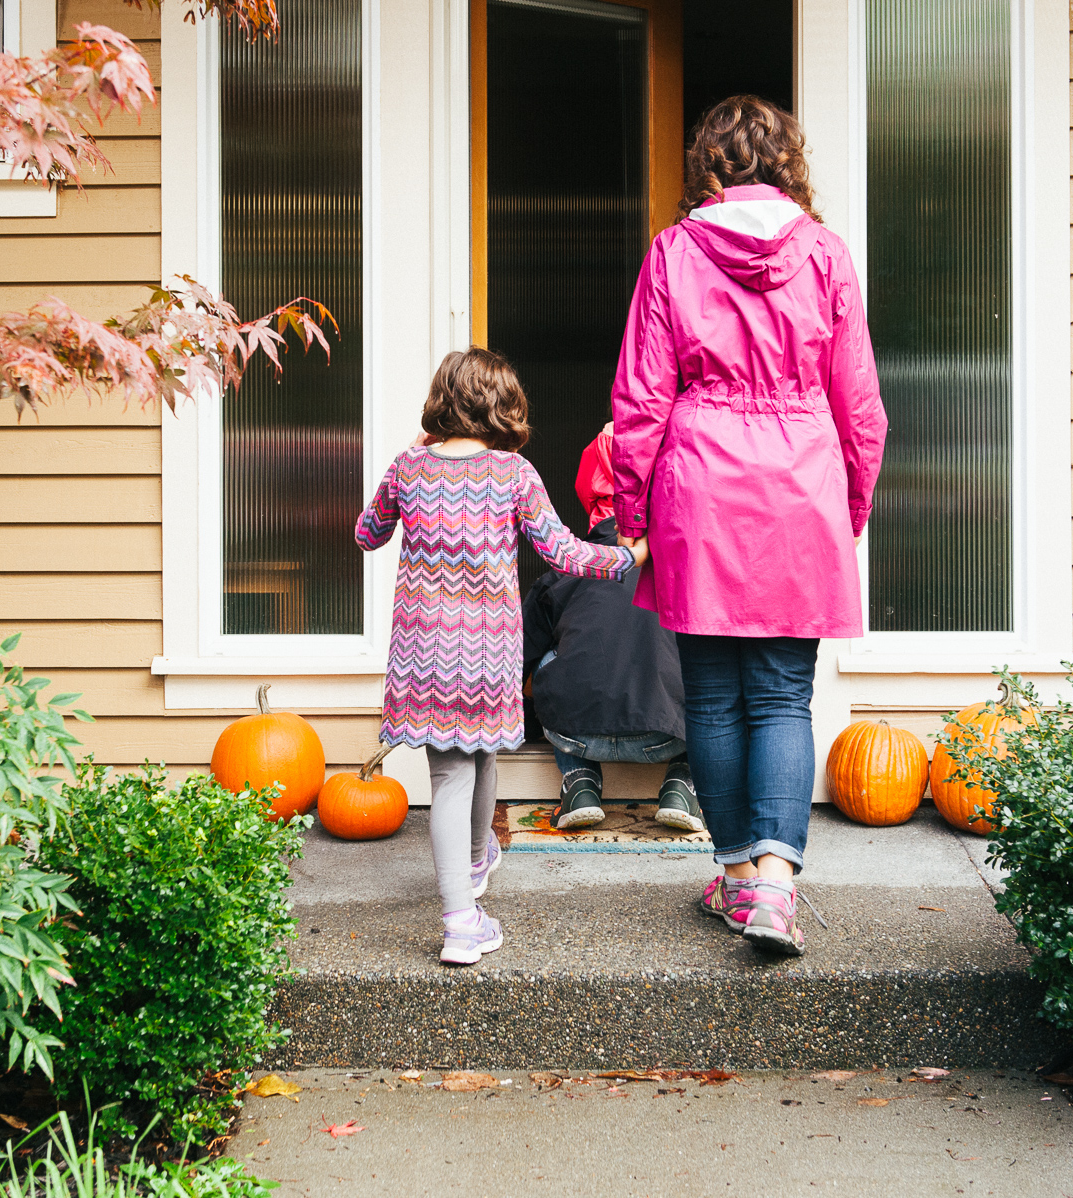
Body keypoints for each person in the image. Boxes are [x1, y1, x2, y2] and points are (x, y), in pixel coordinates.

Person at [610, 95, 886, 955]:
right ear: (788, 161)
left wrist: (631, 510)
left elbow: (642, 395)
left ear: (710, 166)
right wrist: (849, 504)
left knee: (718, 700)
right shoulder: (827, 256)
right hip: (799, 479)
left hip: (699, 484)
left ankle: (735, 879)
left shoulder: (674, 252)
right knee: (782, 695)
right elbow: (860, 405)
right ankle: (774, 887)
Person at [356, 348, 647, 966]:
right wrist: (631, 557)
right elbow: (565, 554)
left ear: (441, 403)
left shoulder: (409, 467)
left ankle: (474, 857)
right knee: (471, 761)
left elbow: (367, 532)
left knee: (456, 767)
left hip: (424, 654)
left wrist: (410, 456)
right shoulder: (514, 474)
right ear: (502, 407)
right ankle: (461, 921)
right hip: (486, 654)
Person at [522, 423, 700, 832]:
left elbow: (520, 658)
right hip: (667, 736)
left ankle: (578, 780)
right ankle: (682, 784)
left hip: (576, 734)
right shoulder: (687, 564)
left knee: (552, 655)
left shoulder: (566, 567)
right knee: (705, 667)